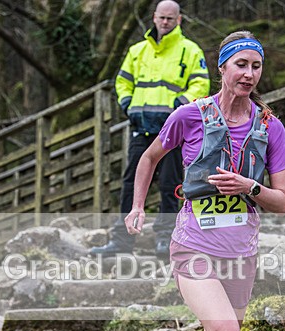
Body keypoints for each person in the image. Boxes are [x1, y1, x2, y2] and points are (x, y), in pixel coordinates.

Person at [123, 31, 285, 331]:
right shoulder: (189, 116)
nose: (249, 74)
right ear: (223, 68)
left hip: (241, 253)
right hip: (194, 246)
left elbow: (282, 202)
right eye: (241, 65)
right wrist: (138, 206)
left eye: (256, 66)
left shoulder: (270, 127)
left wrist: (249, 186)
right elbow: (149, 158)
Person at [90, 0, 209, 258]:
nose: (165, 22)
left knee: (170, 184)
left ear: (179, 20)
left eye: (170, 18)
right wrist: (127, 105)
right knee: (130, 183)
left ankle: (166, 238)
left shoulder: (190, 50)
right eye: (161, 17)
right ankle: (122, 239)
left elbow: (201, 84)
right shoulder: (137, 51)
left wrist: (179, 107)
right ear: (154, 17)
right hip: (141, 127)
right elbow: (122, 82)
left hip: (172, 131)